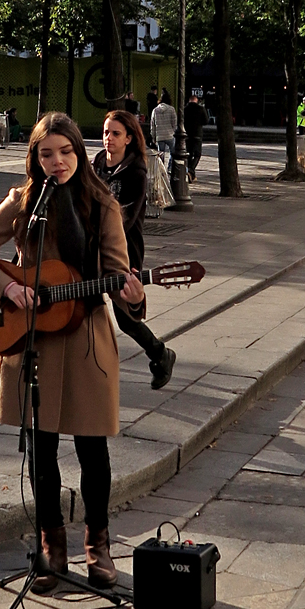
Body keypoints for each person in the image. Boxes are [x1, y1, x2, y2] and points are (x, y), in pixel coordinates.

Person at [0, 112, 145, 594]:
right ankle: (51, 546)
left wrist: (133, 293)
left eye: (65, 152)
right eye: (47, 154)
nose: (57, 162)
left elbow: (120, 275)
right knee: (40, 453)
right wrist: (8, 291)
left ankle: (98, 546)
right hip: (33, 342)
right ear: (35, 158)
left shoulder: (101, 203)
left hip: (85, 339)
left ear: (78, 155)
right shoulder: (22, 202)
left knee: (92, 450)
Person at [92, 110, 176, 390]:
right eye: (105, 132)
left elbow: (127, 217)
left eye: (115, 133)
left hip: (124, 250)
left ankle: (161, 354)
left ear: (129, 138)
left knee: (125, 317)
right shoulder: (98, 163)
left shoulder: (136, 171)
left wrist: (101, 236)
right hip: (92, 248)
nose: (109, 138)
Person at [184, 94, 210, 183]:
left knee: (189, 154)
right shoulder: (201, 109)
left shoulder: (185, 109)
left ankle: (191, 174)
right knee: (197, 154)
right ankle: (191, 170)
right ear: (196, 100)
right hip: (197, 134)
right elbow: (206, 121)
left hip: (187, 135)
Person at [151, 91, 177, 172]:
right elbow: (174, 123)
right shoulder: (171, 109)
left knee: (161, 153)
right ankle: (169, 167)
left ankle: (161, 170)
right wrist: (173, 131)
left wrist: (153, 136)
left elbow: (153, 125)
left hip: (160, 135)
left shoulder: (155, 110)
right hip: (170, 134)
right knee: (173, 152)